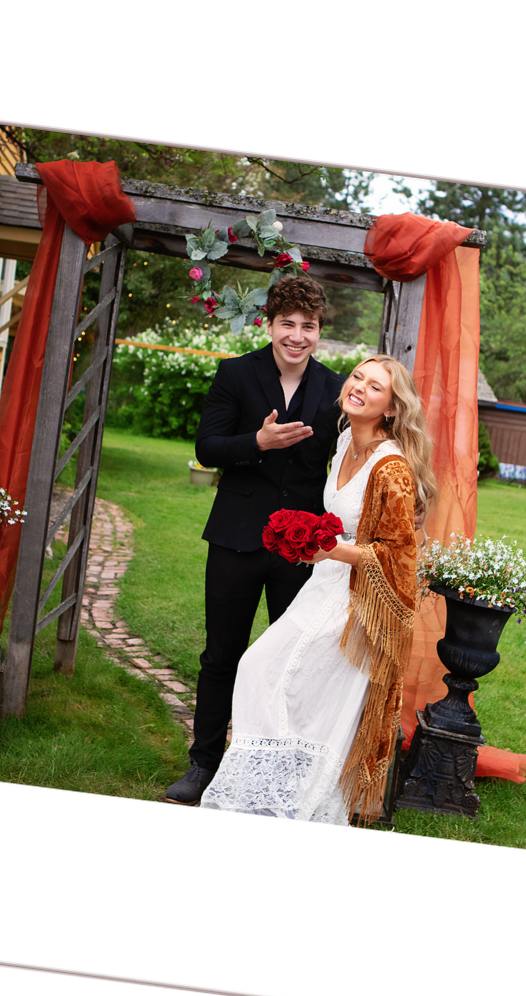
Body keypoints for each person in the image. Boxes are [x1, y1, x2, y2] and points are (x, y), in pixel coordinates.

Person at [200, 356, 437, 826]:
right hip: (322, 585)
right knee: (270, 674)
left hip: (356, 603)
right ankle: (279, 790)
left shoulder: (390, 468)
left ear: (390, 408)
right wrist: (310, 539)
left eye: (375, 387)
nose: (360, 388)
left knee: (269, 672)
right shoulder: (346, 439)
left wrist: (330, 548)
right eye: (357, 377)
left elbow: (397, 557)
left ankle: (297, 796)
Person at [164, 277, 347, 805]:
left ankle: (281, 772)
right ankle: (203, 766)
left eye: (307, 326)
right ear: (270, 324)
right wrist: (257, 442)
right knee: (222, 656)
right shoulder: (237, 373)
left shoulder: (334, 388)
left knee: (293, 661)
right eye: (287, 324)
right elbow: (208, 445)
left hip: (302, 549)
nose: (297, 335)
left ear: (318, 331)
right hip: (236, 539)